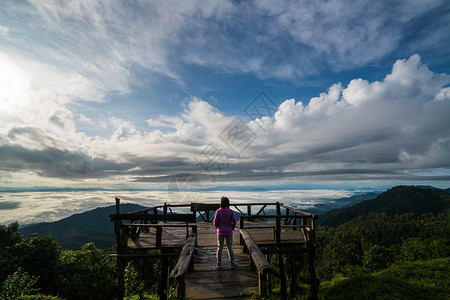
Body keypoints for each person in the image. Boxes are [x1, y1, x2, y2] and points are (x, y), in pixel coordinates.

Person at [213, 196, 237, 270]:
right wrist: (232, 227)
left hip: (220, 232)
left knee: (220, 247)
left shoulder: (218, 211)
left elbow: (215, 221)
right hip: (229, 231)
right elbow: (235, 221)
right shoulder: (230, 211)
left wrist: (217, 227)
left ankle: (219, 263)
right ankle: (232, 263)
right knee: (230, 247)